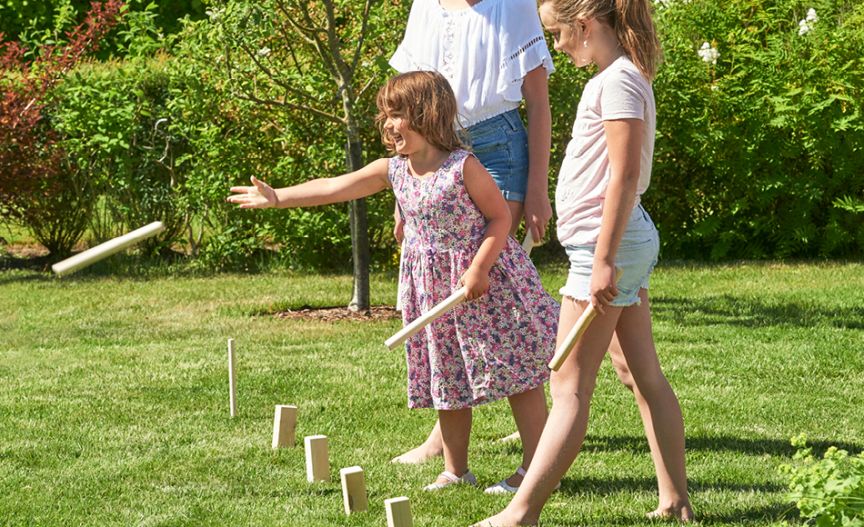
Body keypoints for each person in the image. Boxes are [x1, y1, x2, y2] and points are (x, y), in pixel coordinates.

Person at [227, 71, 558, 492]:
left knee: (518, 375)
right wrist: (278, 197)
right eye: (386, 114)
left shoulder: (463, 166)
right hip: (433, 291)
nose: (388, 124)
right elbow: (334, 187)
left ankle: (536, 469)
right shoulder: (394, 171)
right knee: (447, 375)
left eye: (397, 114)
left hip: (486, 285)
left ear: (427, 114)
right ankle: (457, 471)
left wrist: (478, 269)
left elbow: (498, 219)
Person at [471, 0, 694, 524]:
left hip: (606, 246)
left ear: (586, 25)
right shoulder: (617, 76)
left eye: (559, 34)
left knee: (567, 384)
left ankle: (520, 514)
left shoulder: (617, 81)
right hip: (609, 245)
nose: (558, 45)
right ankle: (676, 500)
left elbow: (621, 175)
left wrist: (604, 261)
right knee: (640, 374)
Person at [388, 0, 555, 489]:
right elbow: (409, 97)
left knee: (495, 300)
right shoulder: (425, 6)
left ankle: (534, 451)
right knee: (446, 317)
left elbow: (539, 102)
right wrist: (406, 202)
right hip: (431, 145)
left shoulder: (515, 5)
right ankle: (448, 448)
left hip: (498, 147)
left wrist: (539, 187)